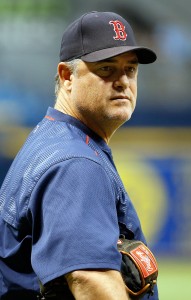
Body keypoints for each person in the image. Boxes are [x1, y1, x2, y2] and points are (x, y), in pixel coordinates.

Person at [0, 11, 158, 300]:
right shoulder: (75, 162)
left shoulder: (53, 138)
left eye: (131, 69)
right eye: (107, 69)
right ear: (67, 76)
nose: (123, 81)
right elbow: (90, 280)